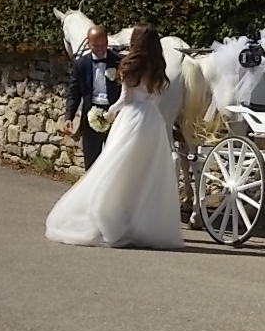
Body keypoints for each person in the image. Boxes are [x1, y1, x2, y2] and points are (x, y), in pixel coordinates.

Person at [46, 24, 184, 249]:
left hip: (132, 119)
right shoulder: (159, 67)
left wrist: (109, 114)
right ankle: (142, 223)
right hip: (154, 122)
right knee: (146, 174)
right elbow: (156, 99)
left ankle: (111, 217)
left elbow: (125, 99)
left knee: (116, 169)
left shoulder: (130, 65)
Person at [63, 25, 122, 170]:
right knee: (91, 162)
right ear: (88, 43)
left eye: (103, 45)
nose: (101, 50)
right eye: (96, 46)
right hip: (90, 115)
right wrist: (69, 117)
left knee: (115, 162)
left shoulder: (119, 61)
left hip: (114, 115)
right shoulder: (81, 64)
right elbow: (74, 92)